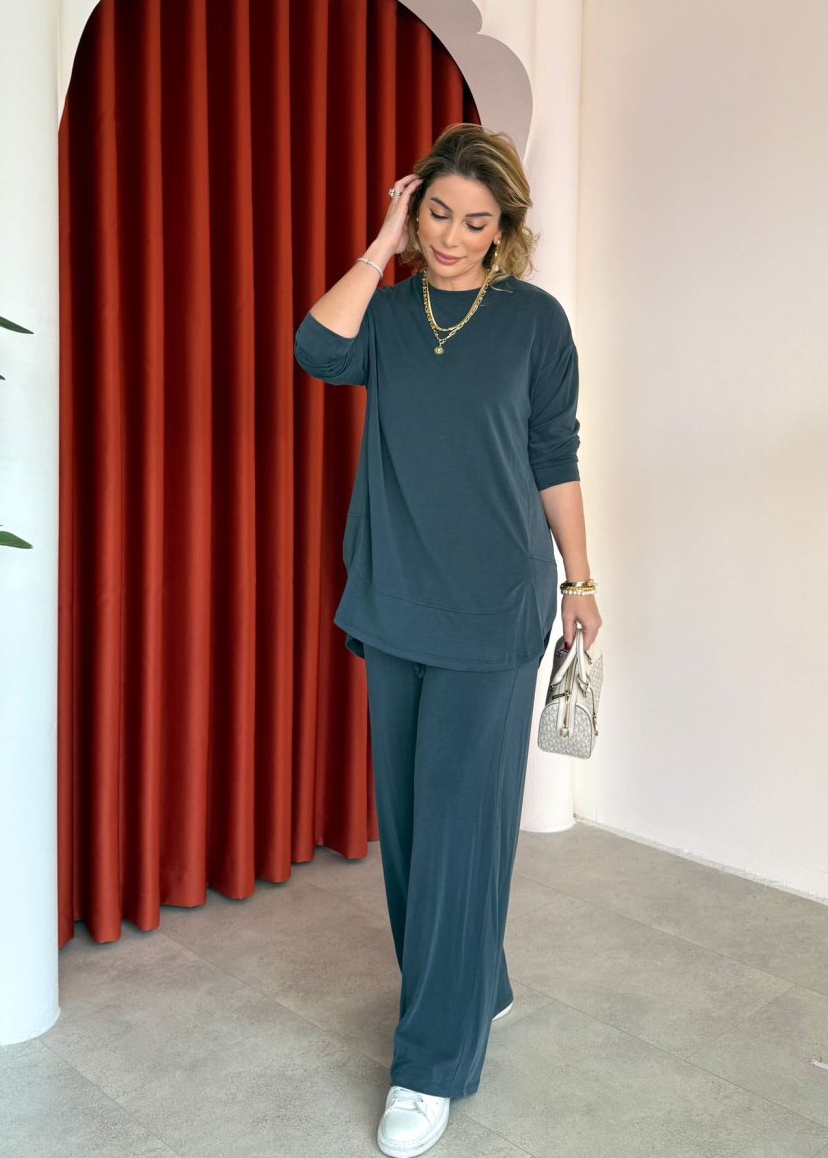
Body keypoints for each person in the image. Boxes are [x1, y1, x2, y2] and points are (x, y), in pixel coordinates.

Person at [294, 123, 601, 1157]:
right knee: (418, 831)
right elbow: (315, 349)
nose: (453, 237)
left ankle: (431, 1063)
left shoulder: (534, 322)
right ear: (413, 208)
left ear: (503, 229)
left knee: (463, 832)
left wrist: (581, 578)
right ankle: (479, 983)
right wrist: (381, 240)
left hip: (497, 603)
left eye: (476, 221)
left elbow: (554, 453)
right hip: (394, 597)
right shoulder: (387, 313)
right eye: (437, 213)